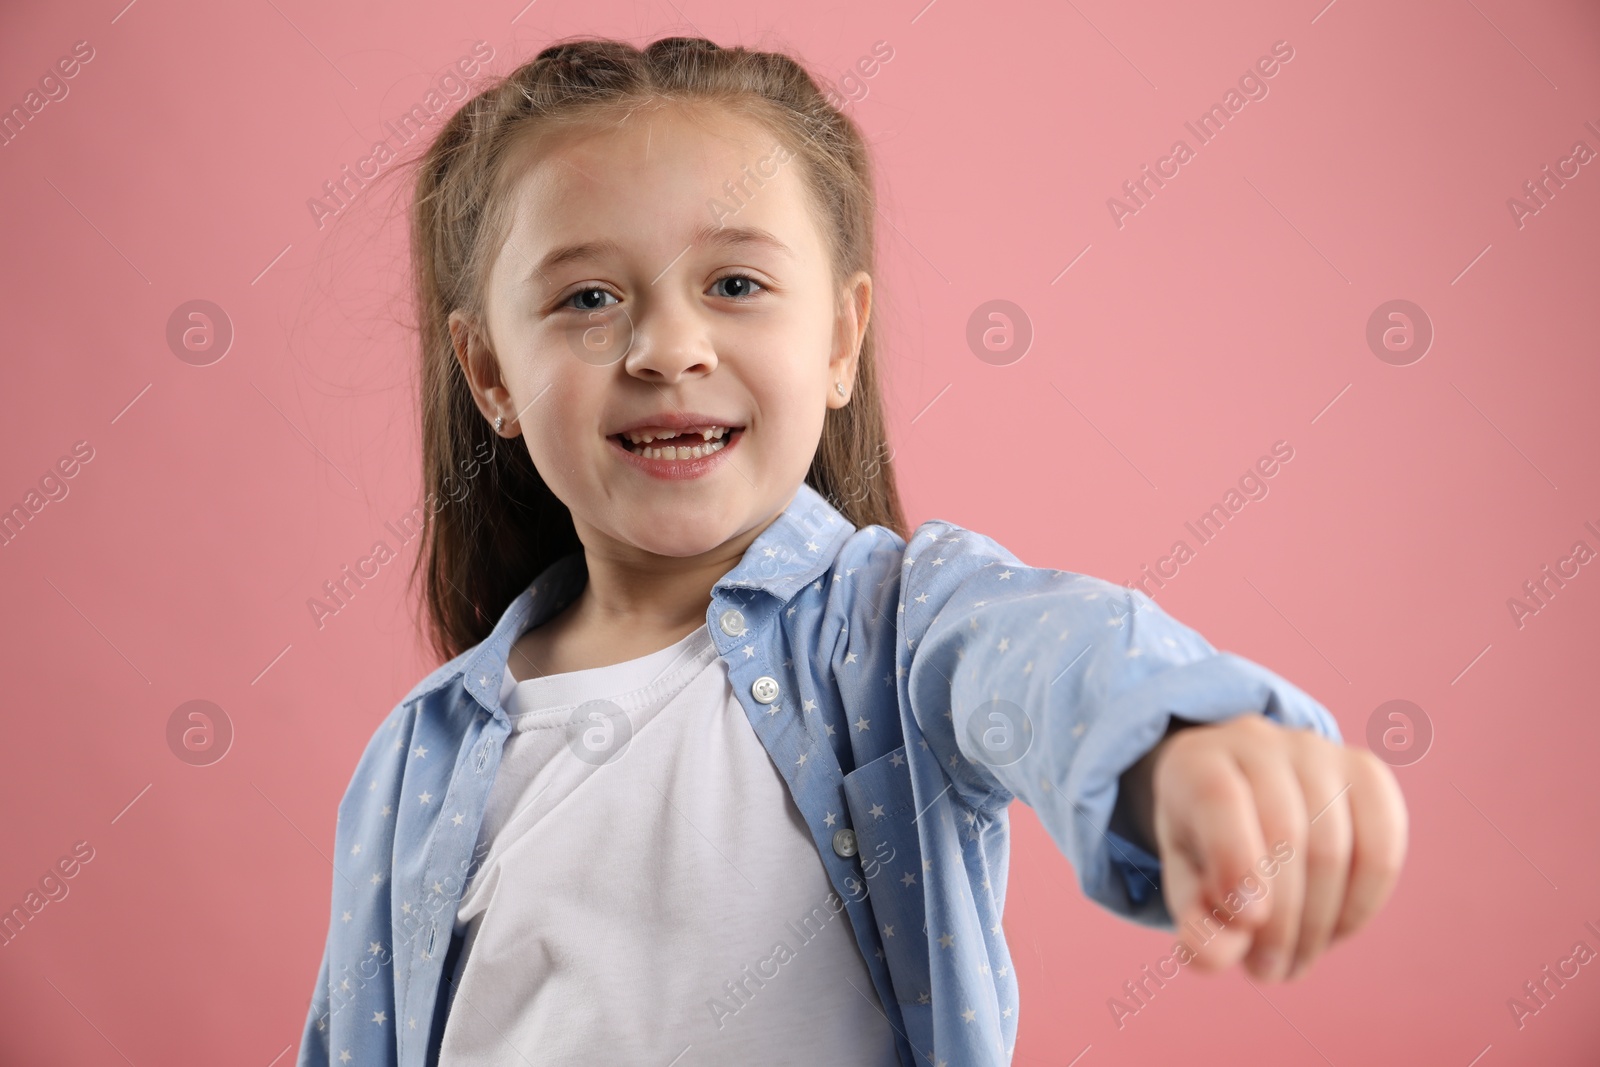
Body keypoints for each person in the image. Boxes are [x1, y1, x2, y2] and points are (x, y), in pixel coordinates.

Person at [296, 35, 1407, 1067]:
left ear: (837, 337)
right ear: (490, 373)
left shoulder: (898, 625)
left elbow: (1046, 650)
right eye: (587, 297)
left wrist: (1174, 740)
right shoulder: (421, 753)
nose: (667, 346)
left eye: (734, 284)